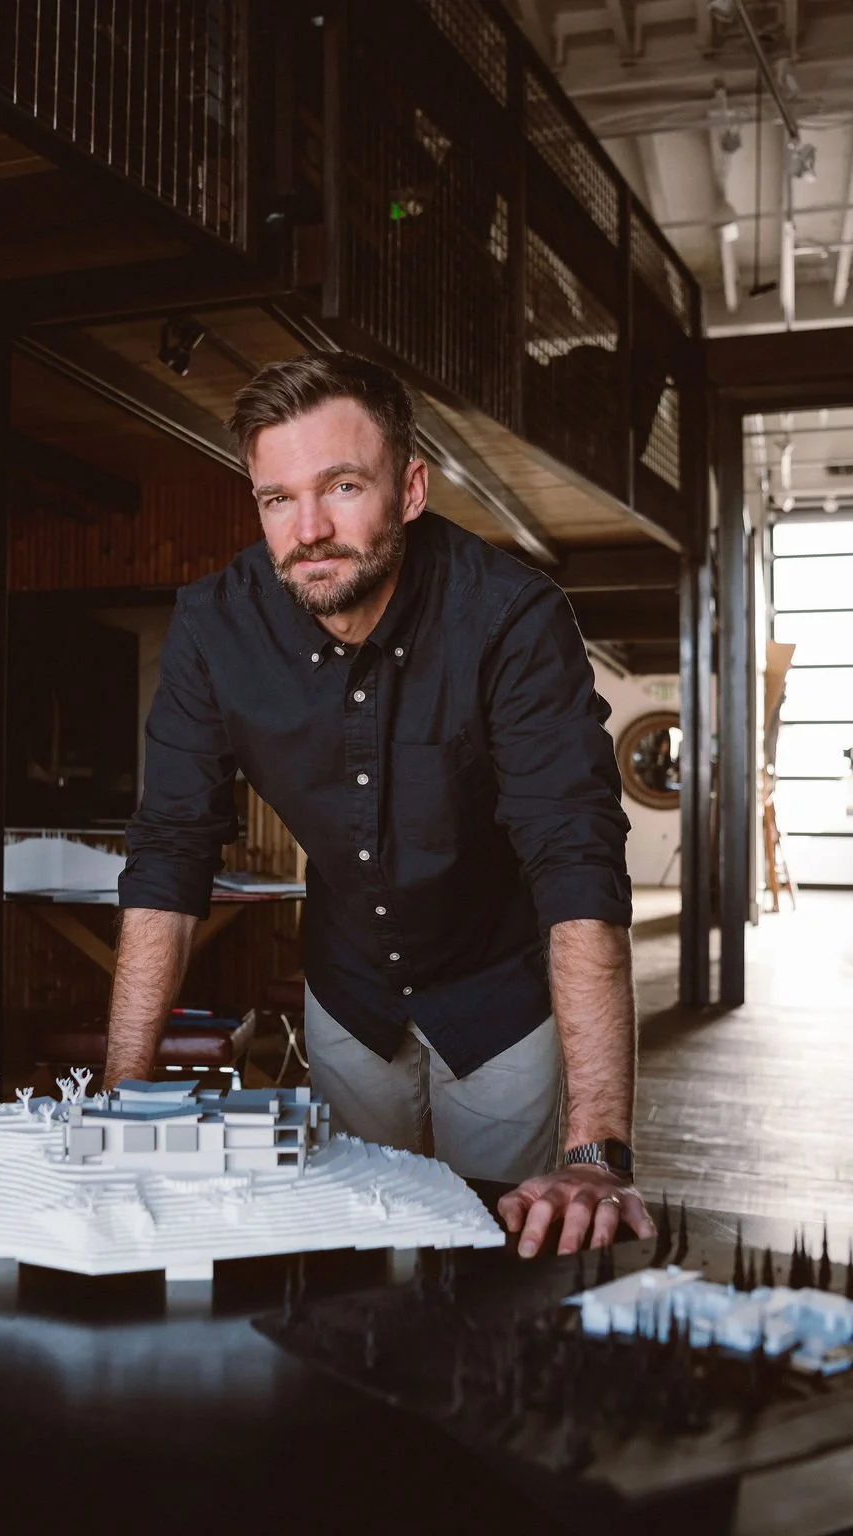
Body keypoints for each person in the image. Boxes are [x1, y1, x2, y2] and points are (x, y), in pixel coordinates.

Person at [106, 351, 655, 1258]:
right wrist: (122, 1095)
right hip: (348, 990)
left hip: (498, 994)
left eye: (343, 486)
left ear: (410, 490)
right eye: (277, 498)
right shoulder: (214, 627)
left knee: (498, 1256)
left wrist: (596, 1155)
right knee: (351, 1255)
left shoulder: (512, 619)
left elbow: (577, 864)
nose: (309, 529)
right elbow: (169, 850)